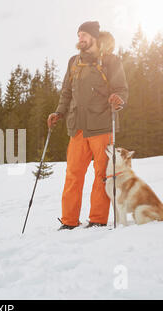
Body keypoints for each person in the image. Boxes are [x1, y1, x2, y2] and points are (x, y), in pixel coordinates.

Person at [47, 21, 128, 230]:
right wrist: (58, 112)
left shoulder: (110, 60)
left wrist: (118, 99)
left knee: (102, 175)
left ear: (94, 37)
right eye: (78, 35)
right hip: (78, 128)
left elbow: (121, 89)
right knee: (73, 175)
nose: (80, 39)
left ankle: (98, 220)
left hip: (101, 125)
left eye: (84, 35)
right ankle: (69, 221)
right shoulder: (74, 62)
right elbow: (66, 93)